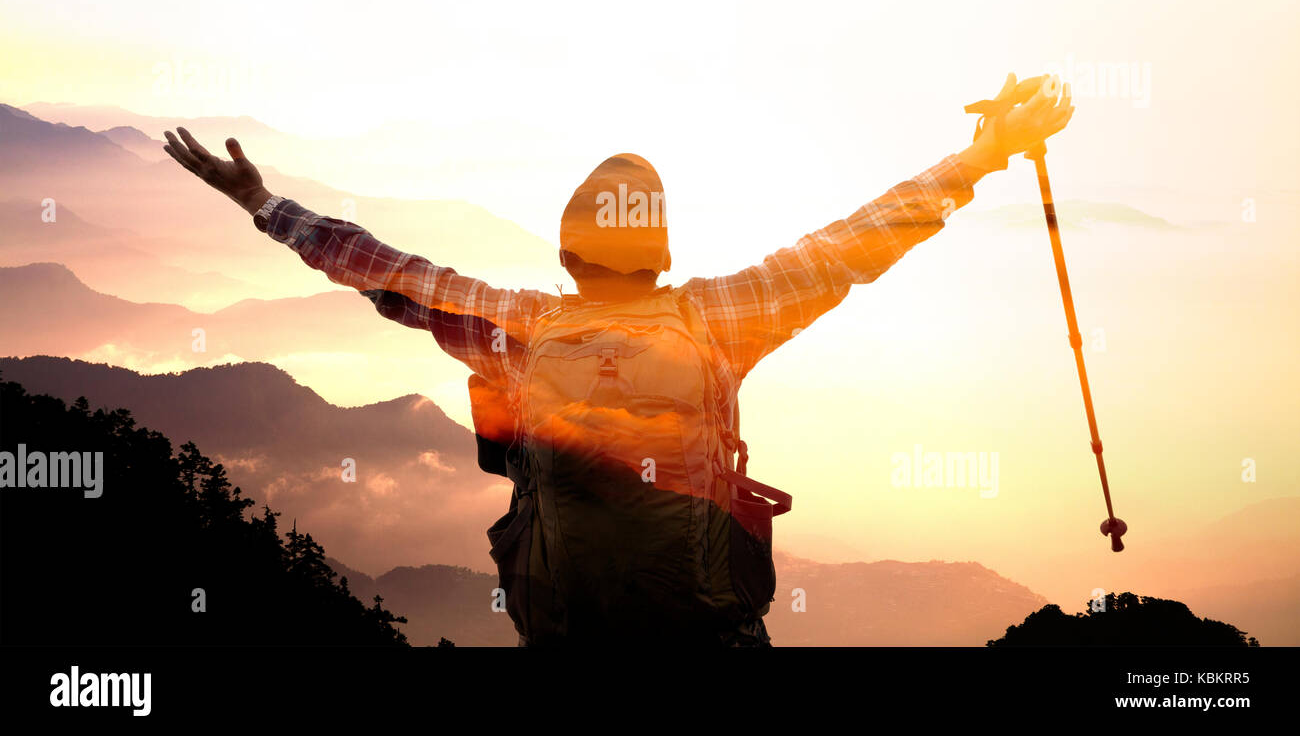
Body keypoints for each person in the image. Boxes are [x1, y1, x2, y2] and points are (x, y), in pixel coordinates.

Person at [163, 72, 1073, 646]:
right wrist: (984, 152)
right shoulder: (722, 317)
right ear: (663, 255)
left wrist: (260, 201)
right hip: (705, 640)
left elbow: (388, 271)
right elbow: (858, 241)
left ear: (565, 254)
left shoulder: (517, 329)